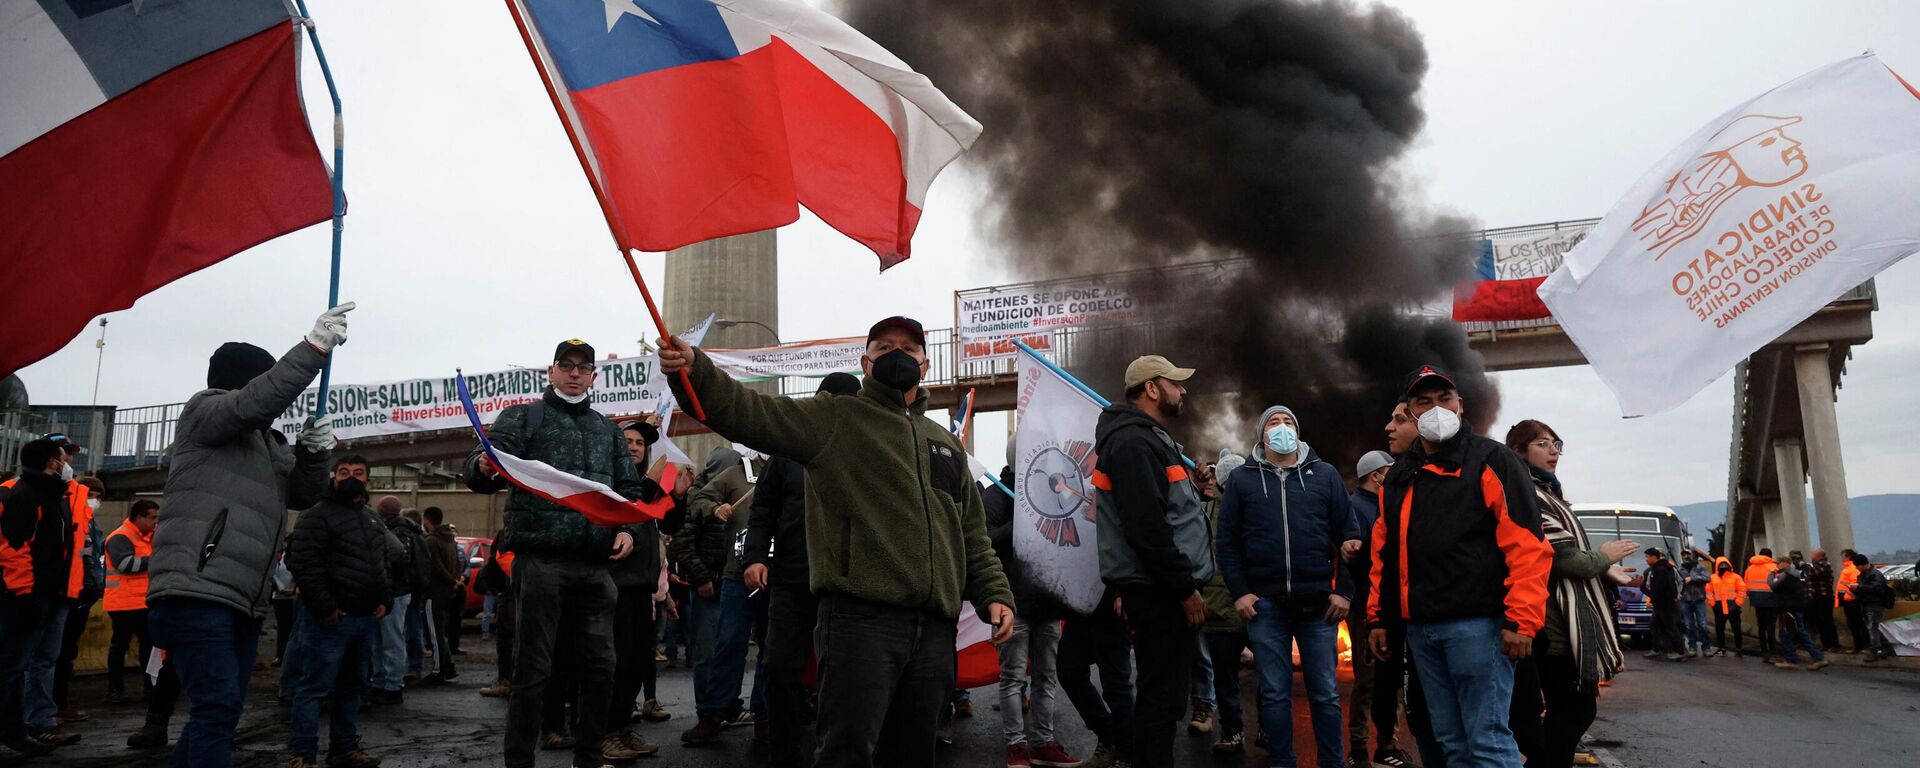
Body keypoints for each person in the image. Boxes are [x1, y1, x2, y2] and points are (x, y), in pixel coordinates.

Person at [658, 316, 1015, 768]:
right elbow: (747, 412)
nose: (897, 354)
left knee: (913, 754)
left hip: (932, 633)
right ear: (866, 363)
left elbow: (970, 534)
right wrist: (694, 370)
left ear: (925, 365)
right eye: (884, 348)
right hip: (860, 624)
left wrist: (994, 594)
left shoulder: (943, 443)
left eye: (909, 347)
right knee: (846, 753)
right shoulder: (834, 419)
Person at [146, 305, 348, 768]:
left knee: (219, 712)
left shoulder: (270, 445)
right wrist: (314, 349)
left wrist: (314, 454)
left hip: (243, 599)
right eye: (265, 379)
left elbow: (303, 494)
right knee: (217, 709)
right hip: (198, 591)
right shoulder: (205, 411)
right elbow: (253, 403)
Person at [464, 338, 651, 768]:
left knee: (600, 669)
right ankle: (519, 762)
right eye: (565, 365)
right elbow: (482, 462)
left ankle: (588, 758)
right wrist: (483, 466)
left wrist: (629, 531)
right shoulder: (523, 418)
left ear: (593, 377)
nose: (574, 373)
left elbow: (629, 491)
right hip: (541, 562)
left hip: (595, 567)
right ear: (551, 372)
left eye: (582, 367)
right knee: (533, 672)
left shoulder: (607, 430)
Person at [1366, 365, 1551, 768]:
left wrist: (1521, 621)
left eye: (1444, 399)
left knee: (1487, 741)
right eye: (1424, 402)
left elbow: (1527, 546)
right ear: (1410, 411)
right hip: (1422, 632)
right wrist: (1379, 617)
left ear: (1461, 406)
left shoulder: (1492, 460)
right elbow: (1385, 552)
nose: (1436, 409)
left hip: (1478, 628)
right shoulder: (1399, 476)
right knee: (1451, 742)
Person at [1216, 404, 1360, 768]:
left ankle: (1333, 763)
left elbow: (1351, 536)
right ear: (1262, 435)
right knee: (1275, 693)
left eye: (1288, 422)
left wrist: (1344, 591)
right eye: (1273, 423)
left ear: (1298, 430)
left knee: (1326, 694)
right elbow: (1227, 542)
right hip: (1266, 606)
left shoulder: (1325, 475)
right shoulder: (1243, 480)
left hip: (1319, 606)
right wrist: (1241, 592)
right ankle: (1282, 762)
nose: (1282, 428)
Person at [1088, 354, 1211, 768]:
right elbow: (1146, 526)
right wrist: (1184, 588)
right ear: (1153, 389)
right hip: (1161, 595)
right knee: (1162, 703)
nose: (1184, 390)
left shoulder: (1145, 438)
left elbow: (1162, 509)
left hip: (1157, 590)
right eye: (1175, 383)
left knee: (1163, 699)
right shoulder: (1134, 441)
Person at [744, 373, 862, 767]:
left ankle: (838, 754)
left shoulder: (870, 449)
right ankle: (784, 753)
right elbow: (762, 510)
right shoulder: (787, 451)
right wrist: (755, 557)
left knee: (846, 676)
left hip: (850, 584)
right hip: (792, 579)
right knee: (778, 667)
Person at [1503, 420, 1628, 768]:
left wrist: (1604, 568)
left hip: (1551, 621)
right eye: (1542, 443)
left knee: (1566, 709)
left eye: (1556, 443)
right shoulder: (1527, 493)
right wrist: (1605, 556)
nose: (1553, 451)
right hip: (1551, 623)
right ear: (1518, 450)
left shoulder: (1546, 492)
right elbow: (1561, 558)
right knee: (1574, 707)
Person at [284, 471, 391, 768]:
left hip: (364, 617)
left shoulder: (368, 518)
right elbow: (304, 563)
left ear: (368, 479)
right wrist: (325, 606)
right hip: (331, 620)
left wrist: (385, 598)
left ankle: (343, 749)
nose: (350, 478)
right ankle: (302, 754)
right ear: (331, 479)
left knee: (352, 688)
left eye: (357, 473)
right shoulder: (316, 515)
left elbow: (379, 561)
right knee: (314, 687)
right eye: (343, 473)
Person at [986, 447, 1081, 768]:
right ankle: (1017, 747)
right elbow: (982, 540)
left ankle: (1042, 742)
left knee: (1046, 678)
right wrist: (1020, 524)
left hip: (1048, 603)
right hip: (1012, 603)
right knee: (1012, 678)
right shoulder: (997, 495)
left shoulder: (1048, 491)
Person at [0, 438, 88, 754]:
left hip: (55, 592)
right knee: (13, 664)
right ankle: (14, 730)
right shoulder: (24, 494)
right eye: (65, 456)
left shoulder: (55, 496)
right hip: (30, 593)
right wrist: (23, 594)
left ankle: (27, 727)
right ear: (53, 461)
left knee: (33, 662)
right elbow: (15, 548)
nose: (69, 464)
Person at [672, 445, 764, 744]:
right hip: (737, 575)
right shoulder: (736, 474)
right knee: (728, 645)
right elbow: (699, 499)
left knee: (774, 650)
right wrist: (714, 508)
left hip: (780, 576)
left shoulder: (790, 471)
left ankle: (765, 714)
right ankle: (713, 713)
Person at [602, 420, 677, 759]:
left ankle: (621, 729)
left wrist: (678, 493)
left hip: (640, 588)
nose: (634, 446)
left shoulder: (648, 486)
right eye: (628, 440)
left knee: (634, 664)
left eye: (640, 443)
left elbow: (672, 523)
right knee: (615, 664)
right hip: (613, 585)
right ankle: (604, 735)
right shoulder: (609, 481)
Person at [1344, 450, 1397, 768]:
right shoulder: (1355, 508)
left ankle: (1388, 745)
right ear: (1376, 475)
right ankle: (1358, 749)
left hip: (1393, 607)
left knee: (1393, 680)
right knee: (1367, 681)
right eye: (1390, 470)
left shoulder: (1390, 505)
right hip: (1365, 606)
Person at [52, 473, 105, 725]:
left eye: (98, 497)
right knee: (58, 653)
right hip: (71, 595)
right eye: (90, 495)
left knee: (67, 652)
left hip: (84, 596)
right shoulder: (72, 521)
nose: (93, 501)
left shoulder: (93, 526)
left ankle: (58, 703)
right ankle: (55, 704)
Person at [371, 493, 427, 706]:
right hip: (398, 592)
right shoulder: (408, 531)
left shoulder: (395, 533)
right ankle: (388, 684)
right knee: (390, 639)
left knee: (386, 640)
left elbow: (397, 560)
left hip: (393, 592)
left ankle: (388, 684)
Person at [104, 499, 161, 704]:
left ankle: (148, 687)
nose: (156, 522)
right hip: (124, 604)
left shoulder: (145, 537)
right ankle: (116, 689)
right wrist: (157, 560)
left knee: (146, 646)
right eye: (152, 517)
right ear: (139, 517)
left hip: (141, 602)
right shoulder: (121, 537)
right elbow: (126, 564)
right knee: (122, 645)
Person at [421, 506, 464, 685]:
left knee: (435, 632)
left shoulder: (431, 541)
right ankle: (447, 666)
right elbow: (457, 563)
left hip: (435, 591)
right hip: (448, 591)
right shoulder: (450, 539)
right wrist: (456, 581)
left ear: (426, 520)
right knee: (440, 631)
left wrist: (451, 581)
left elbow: (436, 567)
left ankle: (439, 669)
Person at [475, 528, 516, 699]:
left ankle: (506, 681)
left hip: (512, 596)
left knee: (508, 641)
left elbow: (504, 562)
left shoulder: (509, 535)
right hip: (525, 594)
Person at [1768, 553, 1827, 671]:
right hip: (1797, 607)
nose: (1777, 566)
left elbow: (1773, 585)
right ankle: (1816, 658)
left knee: (1787, 634)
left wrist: (1771, 574)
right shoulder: (1797, 575)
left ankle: (1793, 659)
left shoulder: (1786, 575)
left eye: (1779, 563)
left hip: (1789, 609)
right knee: (1799, 633)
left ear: (1784, 563)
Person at [1848, 553, 1893, 660]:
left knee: (1872, 628)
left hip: (1874, 604)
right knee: (1873, 628)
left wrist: (1859, 587)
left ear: (1862, 565)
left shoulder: (1874, 574)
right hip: (1865, 603)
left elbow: (1876, 588)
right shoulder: (1864, 574)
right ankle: (1886, 648)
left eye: (1857, 566)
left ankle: (1877, 650)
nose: (1857, 569)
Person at [1641, 549, 1683, 661]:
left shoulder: (1661, 570)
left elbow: (1659, 589)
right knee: (1655, 625)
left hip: (1665, 604)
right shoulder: (1656, 569)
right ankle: (1657, 649)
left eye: (1648, 556)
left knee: (1671, 627)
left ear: (1655, 557)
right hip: (1660, 604)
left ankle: (1680, 651)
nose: (1646, 559)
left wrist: (1643, 588)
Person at [1742, 548, 1780, 661]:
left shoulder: (1750, 569)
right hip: (1771, 600)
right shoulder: (1773, 568)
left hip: (1757, 601)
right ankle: (1773, 652)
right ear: (1770, 556)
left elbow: (1746, 586)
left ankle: (1764, 652)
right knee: (1771, 627)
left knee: (1761, 627)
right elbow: (1779, 584)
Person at [1705, 557, 1746, 657]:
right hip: (1719, 607)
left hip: (1733, 607)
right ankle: (1721, 648)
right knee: (1719, 629)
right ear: (1717, 566)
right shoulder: (1712, 578)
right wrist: (1713, 604)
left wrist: (1738, 603)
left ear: (1729, 565)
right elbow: (1708, 591)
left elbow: (1742, 590)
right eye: (1721, 565)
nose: (1723, 566)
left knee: (1736, 629)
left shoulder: (1736, 577)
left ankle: (1739, 649)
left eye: (1725, 565)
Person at [1804, 549, 1839, 651]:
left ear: (1819, 556)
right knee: (1820, 621)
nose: (1812, 556)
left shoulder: (1824, 565)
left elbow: (1812, 573)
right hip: (1817, 596)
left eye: (1813, 555)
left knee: (1827, 621)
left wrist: (1806, 570)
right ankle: (1826, 644)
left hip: (1824, 596)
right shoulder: (1816, 566)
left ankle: (1833, 644)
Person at [1679, 553, 1713, 657]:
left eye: (1688, 555)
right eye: (1684, 555)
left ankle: (1706, 647)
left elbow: (1707, 578)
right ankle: (1692, 647)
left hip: (1699, 599)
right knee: (1689, 625)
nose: (1686, 557)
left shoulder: (1700, 567)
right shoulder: (1680, 569)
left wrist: (1693, 578)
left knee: (1702, 624)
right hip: (1685, 599)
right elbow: (1677, 582)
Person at [1836, 549, 1866, 653]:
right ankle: (1860, 646)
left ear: (1848, 557)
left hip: (1851, 601)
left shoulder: (1852, 569)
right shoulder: (1849, 568)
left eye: (1843, 556)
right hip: (1849, 601)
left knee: (1856, 625)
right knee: (1855, 624)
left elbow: (1855, 584)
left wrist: (1848, 595)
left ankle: (1860, 646)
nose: (1842, 559)